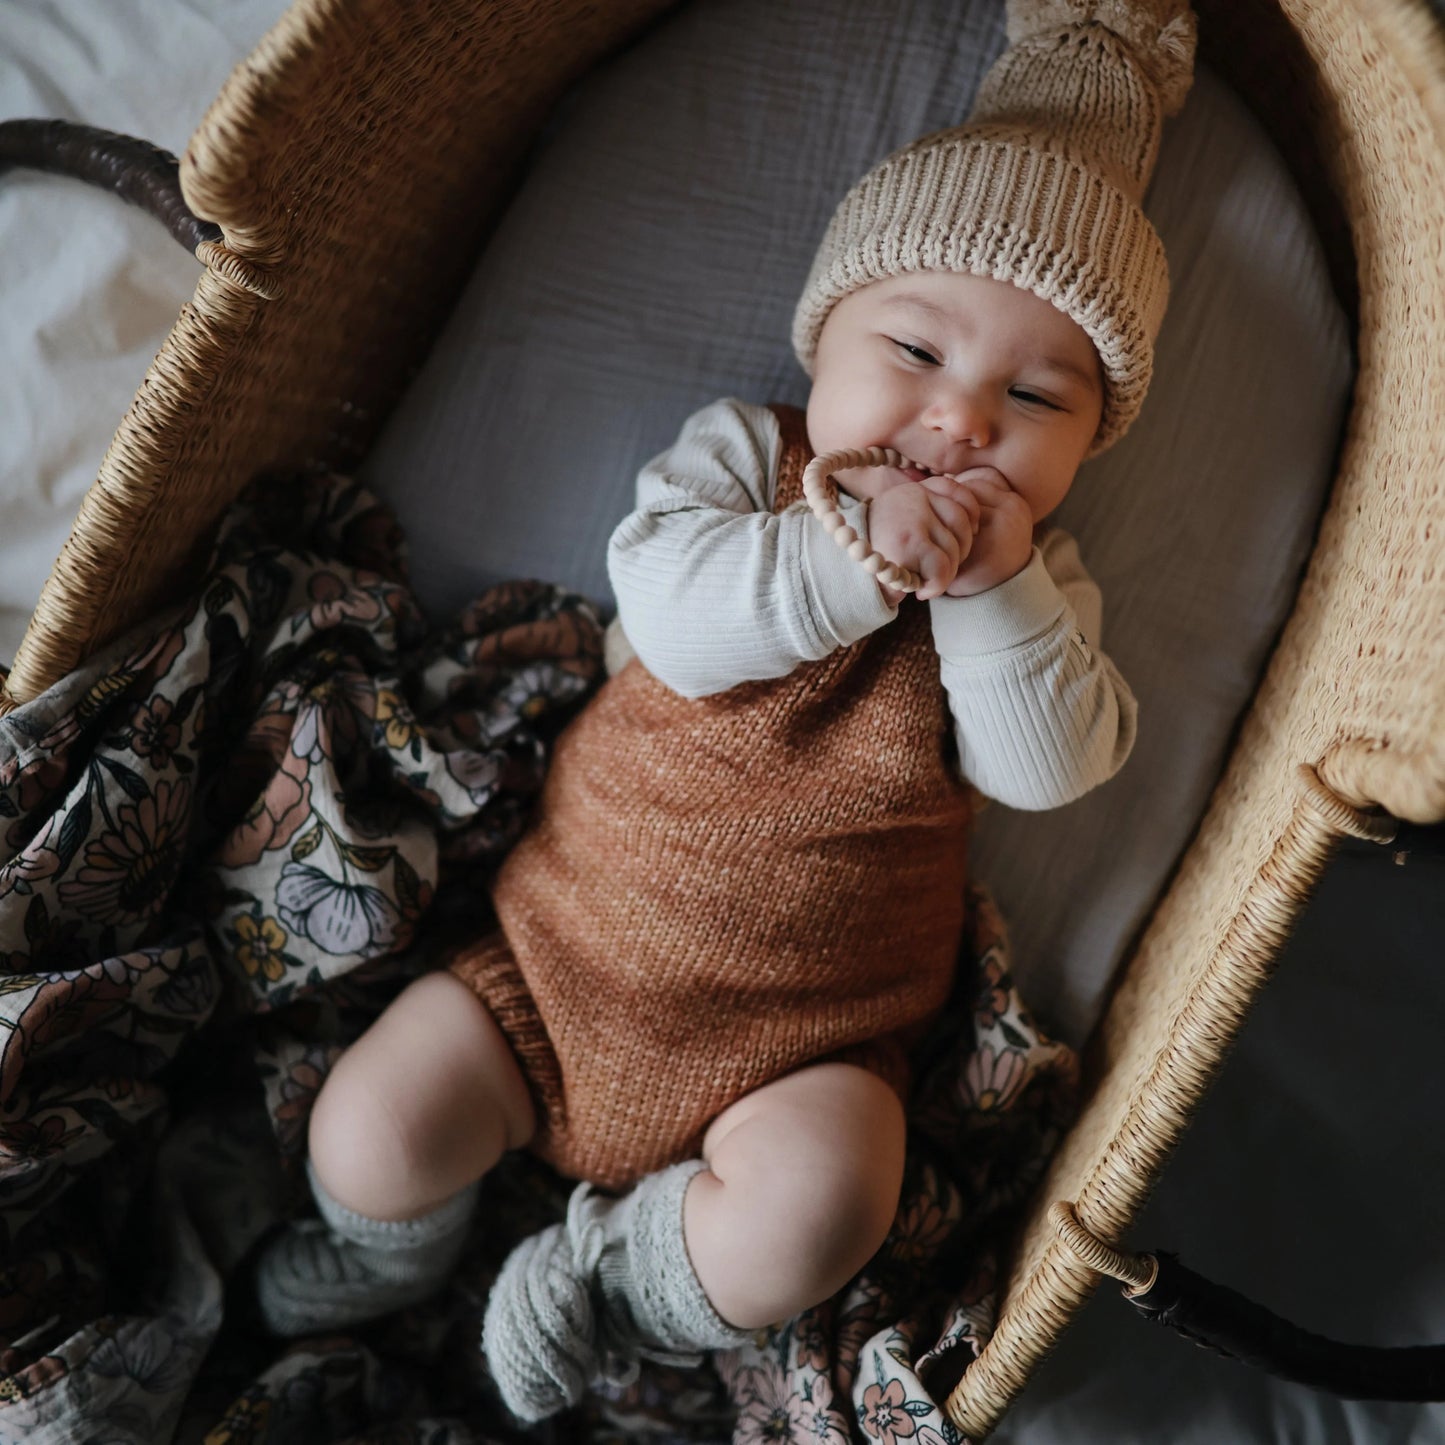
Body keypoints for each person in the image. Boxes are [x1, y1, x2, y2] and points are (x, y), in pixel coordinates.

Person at [252, 0, 1195, 1422]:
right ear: (823, 335)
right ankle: (390, 1244)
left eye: (1036, 395)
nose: (958, 424)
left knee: (828, 1205)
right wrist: (843, 556)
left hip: (806, 1055)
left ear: (1088, 437)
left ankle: (609, 1279)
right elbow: (679, 622)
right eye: (917, 351)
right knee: (371, 1124)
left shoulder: (1035, 590)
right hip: (551, 969)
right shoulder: (745, 459)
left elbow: (1050, 762)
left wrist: (989, 593)